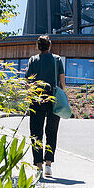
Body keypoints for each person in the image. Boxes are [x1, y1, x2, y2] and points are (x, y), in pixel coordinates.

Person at [25, 34, 66, 179]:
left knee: (36, 132)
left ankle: (39, 167)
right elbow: (62, 81)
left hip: (37, 98)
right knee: (52, 131)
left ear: (38, 46)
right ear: (49, 46)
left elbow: (28, 82)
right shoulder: (57, 59)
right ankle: (48, 164)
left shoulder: (33, 60)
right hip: (53, 97)